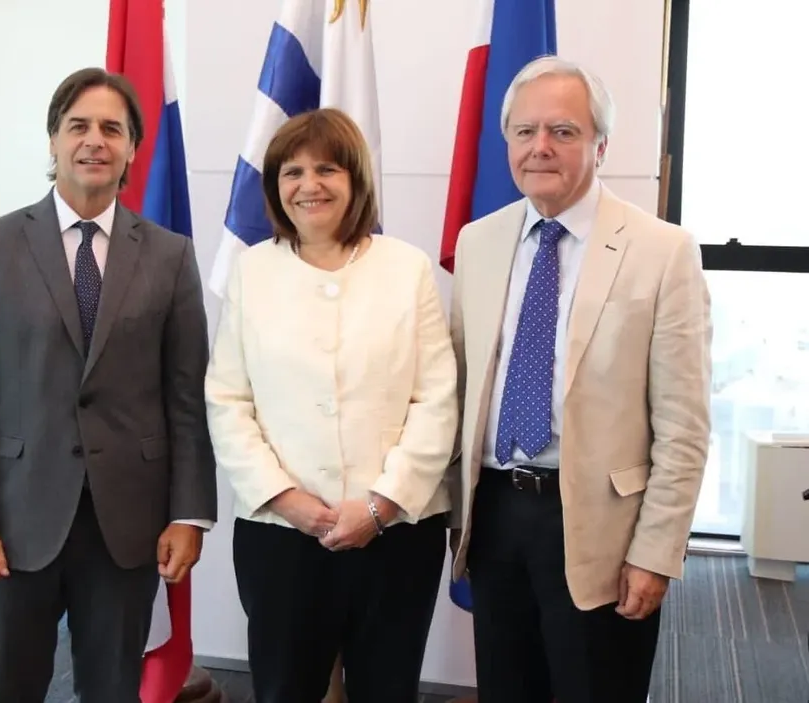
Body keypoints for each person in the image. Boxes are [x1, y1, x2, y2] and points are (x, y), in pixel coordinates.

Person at [0, 67, 217, 703]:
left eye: (112, 129)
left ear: (133, 149)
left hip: (128, 525)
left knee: (114, 690)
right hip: (13, 522)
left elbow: (185, 399)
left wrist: (189, 513)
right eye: (78, 126)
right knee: (10, 687)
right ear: (53, 140)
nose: (95, 140)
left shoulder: (170, 257)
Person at [448, 56, 711, 703]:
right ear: (506, 141)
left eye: (563, 131)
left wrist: (656, 551)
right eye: (525, 131)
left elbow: (684, 426)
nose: (540, 146)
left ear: (600, 144)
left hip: (601, 521)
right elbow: (457, 387)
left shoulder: (662, 250)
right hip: (496, 512)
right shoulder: (478, 242)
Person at [205, 107, 457, 703]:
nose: (308, 185)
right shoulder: (252, 270)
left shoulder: (406, 267)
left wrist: (380, 505)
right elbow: (227, 399)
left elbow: (437, 397)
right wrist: (289, 501)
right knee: (284, 688)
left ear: (356, 181)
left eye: (326, 169)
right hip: (280, 534)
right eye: (291, 171)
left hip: (396, 532)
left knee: (385, 688)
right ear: (273, 185)